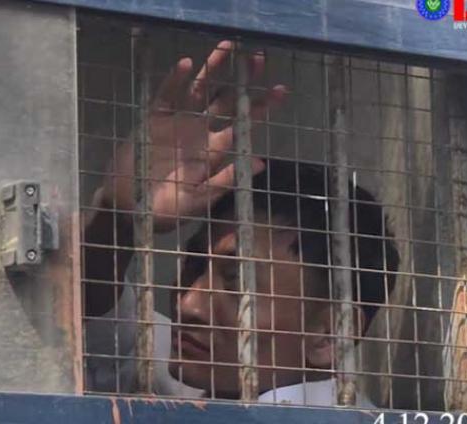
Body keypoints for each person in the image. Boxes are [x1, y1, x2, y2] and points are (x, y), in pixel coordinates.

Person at [82, 40, 399, 406]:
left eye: (238, 281)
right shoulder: (208, 385)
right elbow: (100, 318)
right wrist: (119, 215)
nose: (188, 304)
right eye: (194, 266)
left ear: (330, 333)